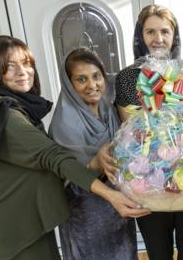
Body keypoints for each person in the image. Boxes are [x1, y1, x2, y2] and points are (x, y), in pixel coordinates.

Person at [0, 35, 148, 260]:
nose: (22, 72)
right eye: (9, 67)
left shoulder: (13, 110)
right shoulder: (7, 116)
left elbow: (13, 167)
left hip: (27, 221)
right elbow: (53, 158)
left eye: (26, 64)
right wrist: (111, 195)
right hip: (17, 231)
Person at [113, 5, 183, 260]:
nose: (158, 38)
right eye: (150, 31)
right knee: (158, 253)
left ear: (174, 36)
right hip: (148, 181)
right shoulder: (127, 77)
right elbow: (131, 133)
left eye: (165, 31)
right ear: (140, 36)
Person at [48, 48, 141, 259]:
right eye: (81, 79)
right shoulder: (64, 123)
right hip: (86, 218)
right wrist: (95, 164)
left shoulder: (108, 110)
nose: (92, 85)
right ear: (69, 86)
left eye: (96, 76)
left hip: (118, 211)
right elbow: (68, 179)